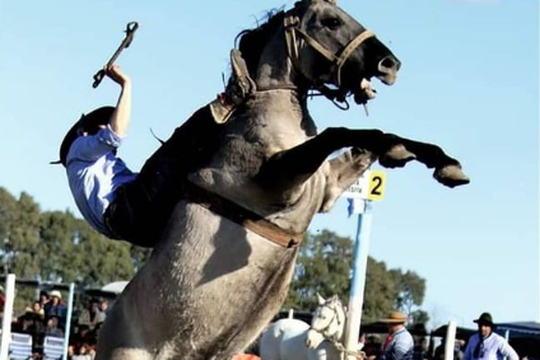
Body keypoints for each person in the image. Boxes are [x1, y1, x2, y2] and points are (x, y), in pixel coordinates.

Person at [57, 63, 232, 247]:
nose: (106, 124)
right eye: (101, 123)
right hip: (128, 212)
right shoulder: (78, 149)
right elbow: (114, 135)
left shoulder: (89, 170)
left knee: (183, 167)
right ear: (84, 132)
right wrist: (126, 85)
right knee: (175, 149)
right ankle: (226, 103)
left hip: (138, 230)